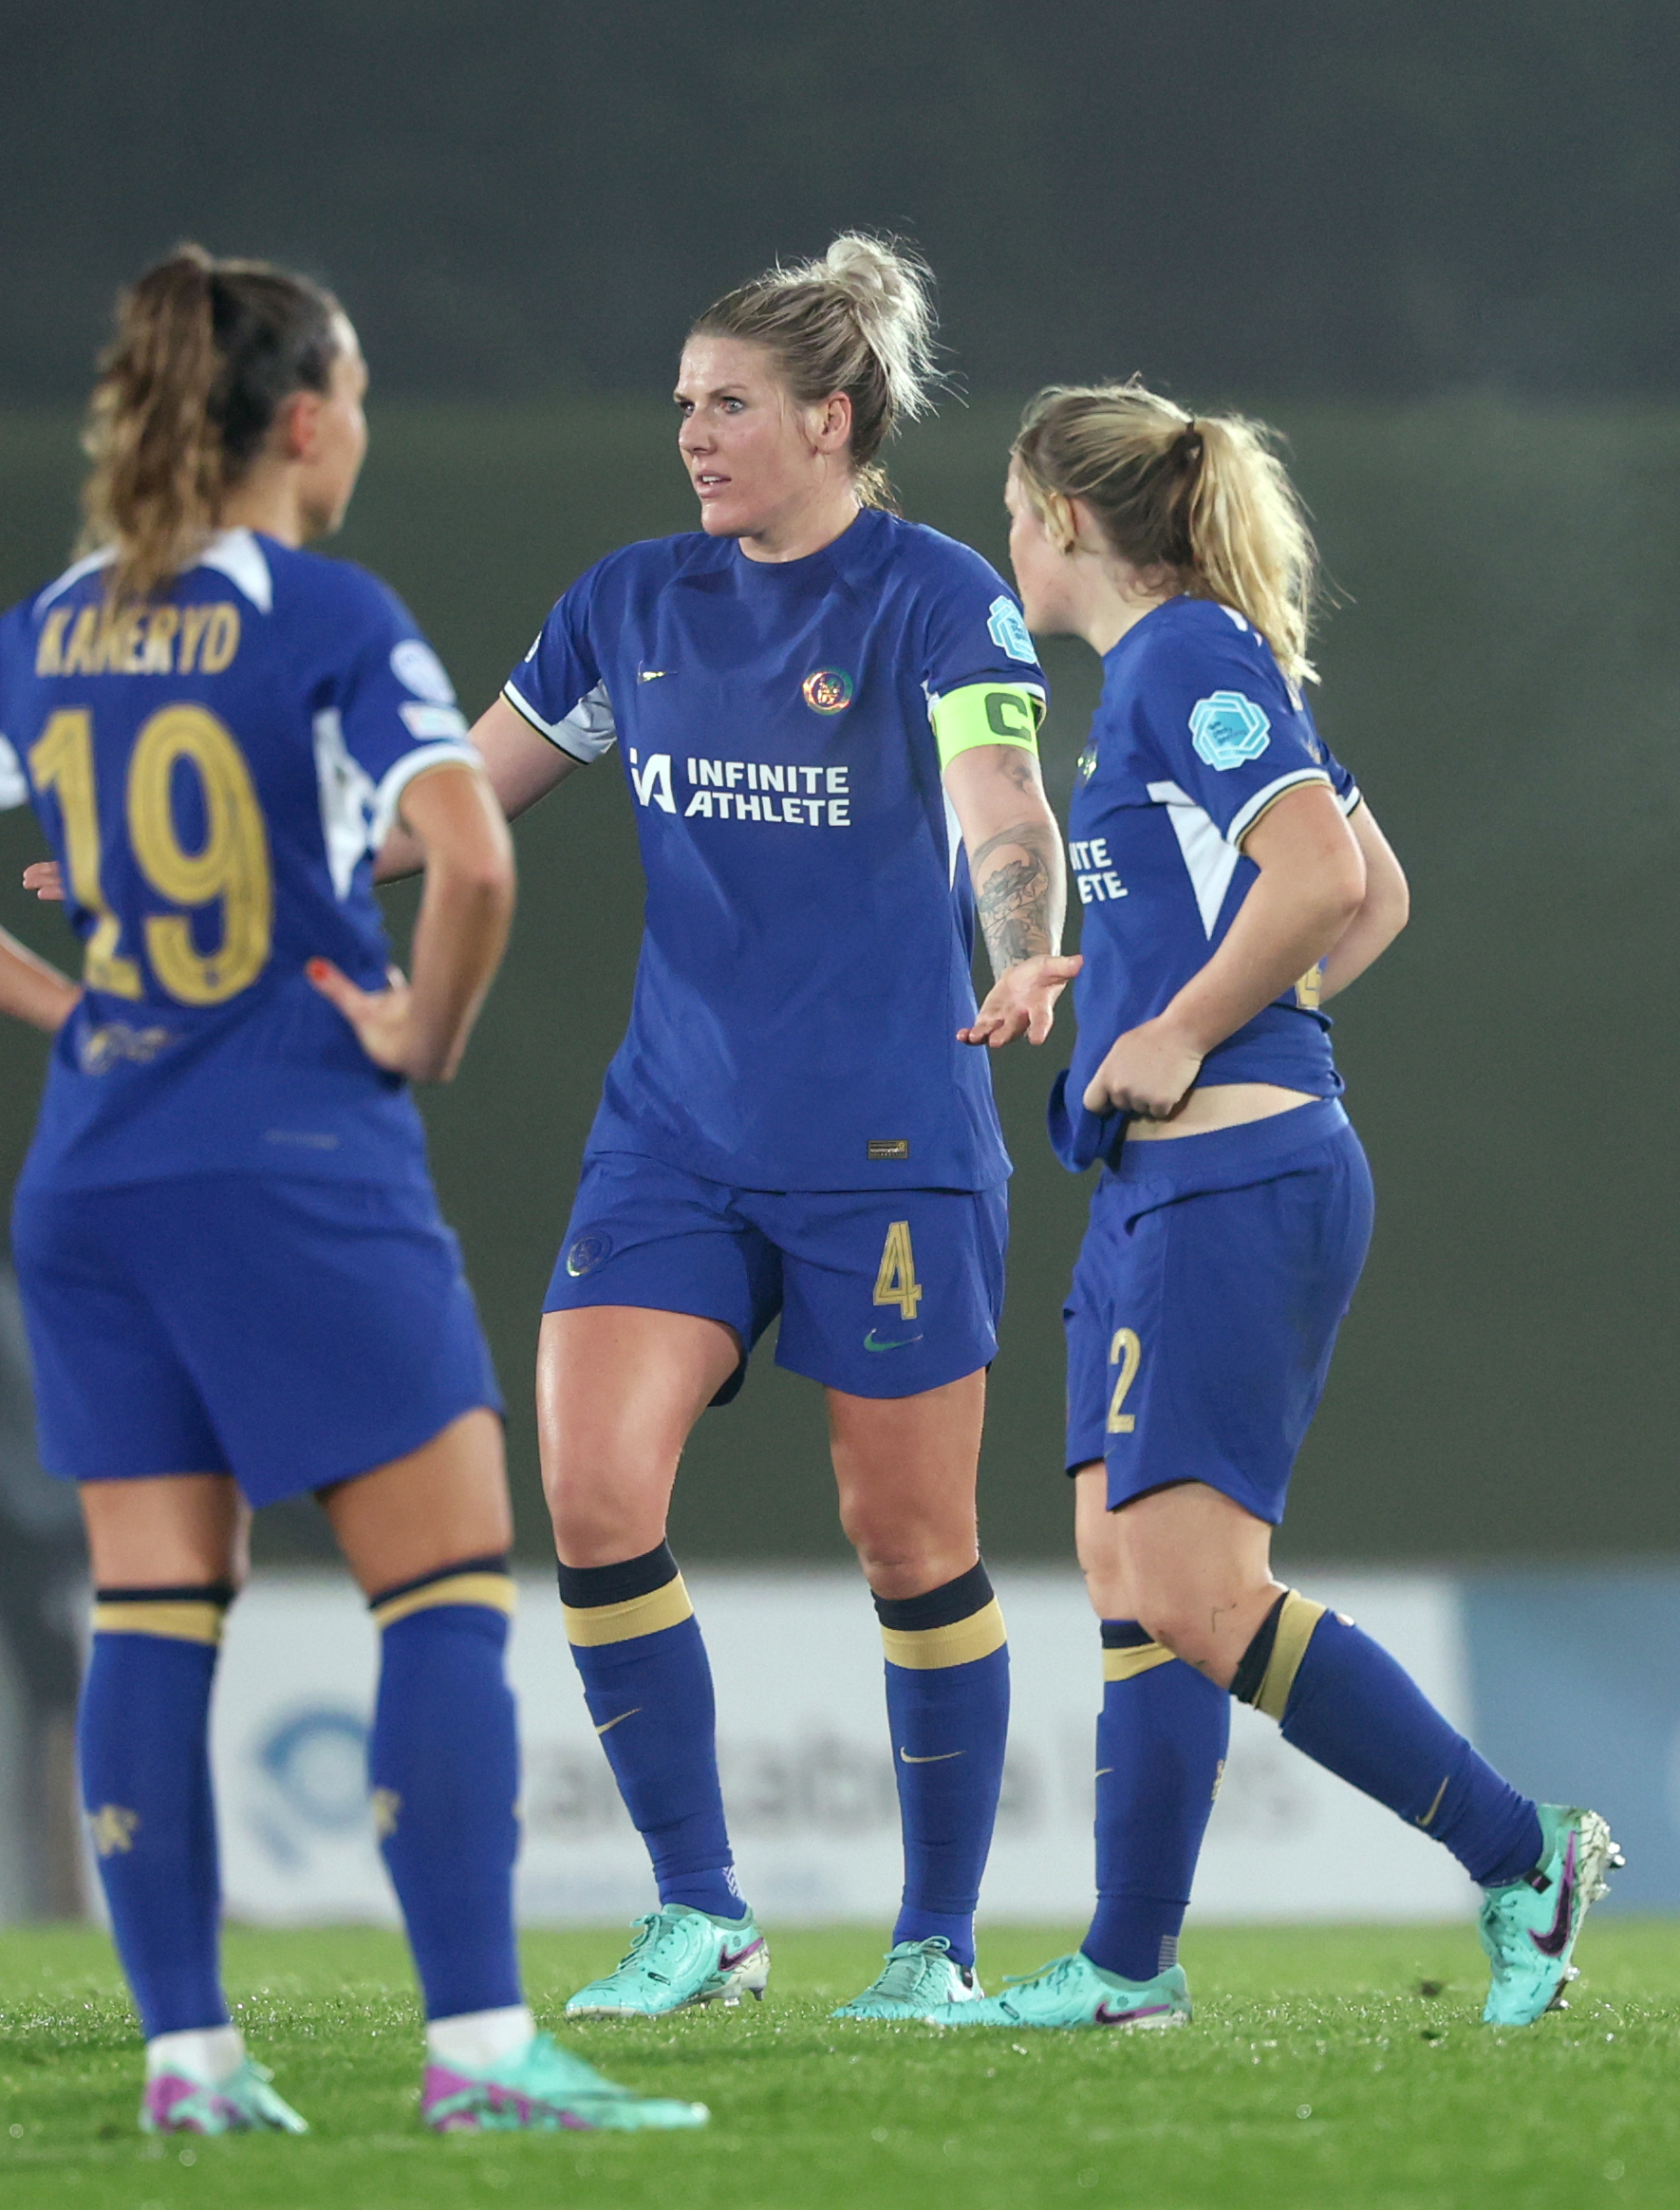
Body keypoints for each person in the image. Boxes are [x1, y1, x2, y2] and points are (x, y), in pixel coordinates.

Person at [0, 246, 702, 2136]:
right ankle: (475, 2051)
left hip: (94, 1168)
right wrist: (424, 1035)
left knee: (150, 1604)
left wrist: (69, 1004)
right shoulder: (320, 614)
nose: (360, 426)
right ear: (301, 421)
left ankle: (190, 2064)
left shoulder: (54, 624)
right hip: (288, 1150)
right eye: (356, 395)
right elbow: (467, 859)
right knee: (445, 1580)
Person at [363, 235, 1071, 2024]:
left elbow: (1004, 804)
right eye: (681, 404)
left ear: (832, 421)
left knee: (907, 1539)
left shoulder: (935, 597)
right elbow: (451, 808)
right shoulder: (627, 604)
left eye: (728, 405)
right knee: (593, 1494)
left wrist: (1027, 953)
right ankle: (705, 1915)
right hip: (670, 1135)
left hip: (890, 1144)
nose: (691, 434)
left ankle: (931, 1948)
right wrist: (211, 872)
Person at [929, 383, 1618, 2032]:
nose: (1004, 540)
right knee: (1126, 1568)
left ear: (1067, 519)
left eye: (1013, 509)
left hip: (1233, 1175)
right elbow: (1367, 890)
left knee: (1193, 1587)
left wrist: (1189, 1027)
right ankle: (1124, 1967)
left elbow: (1318, 879)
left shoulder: (1181, 651)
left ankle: (1524, 1856)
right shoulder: (1176, 675)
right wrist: (1146, 989)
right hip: (1164, 1187)